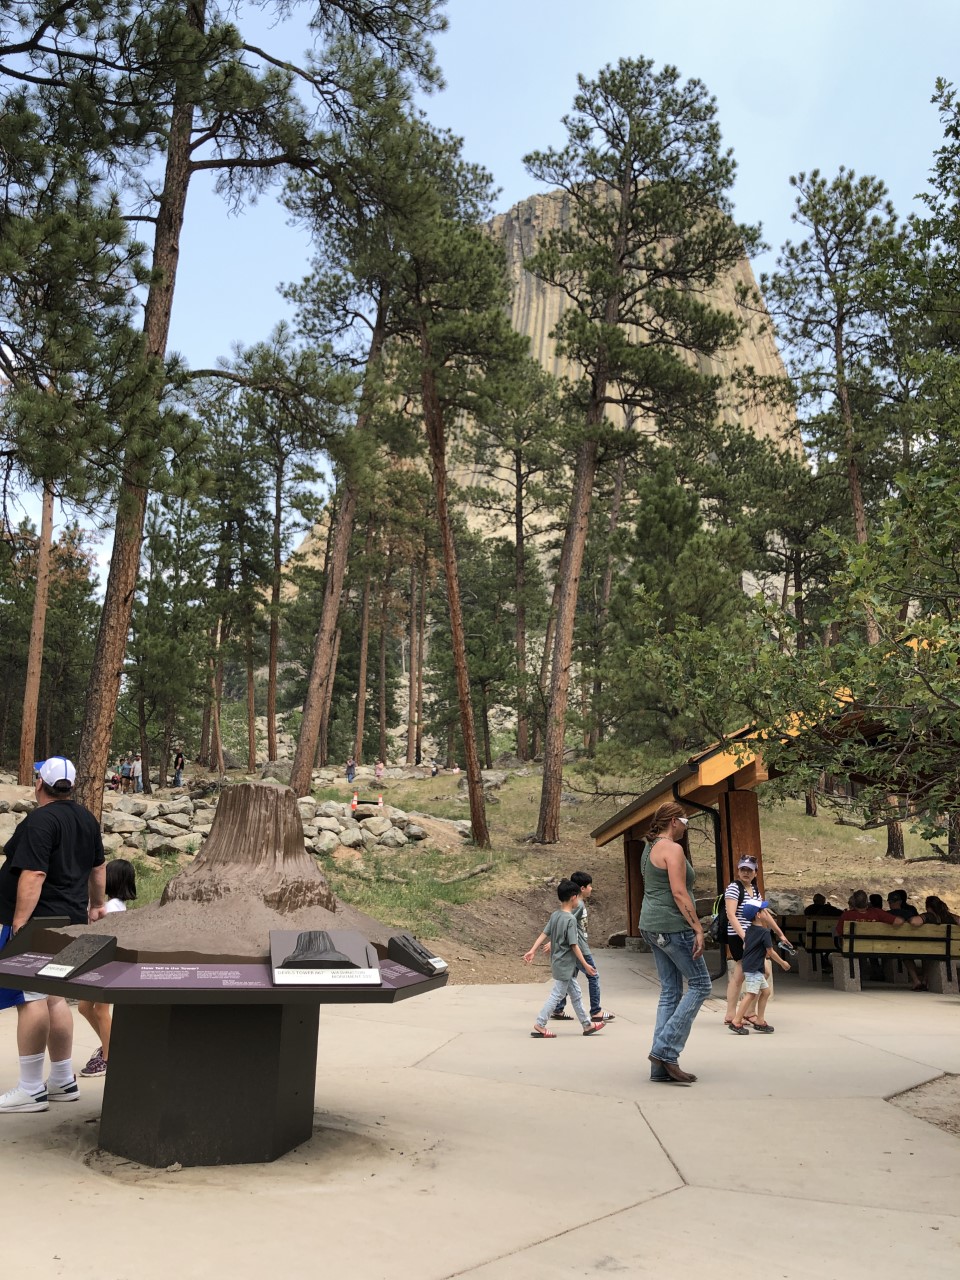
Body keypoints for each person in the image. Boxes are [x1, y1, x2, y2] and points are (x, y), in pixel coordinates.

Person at [0, 756, 106, 1114]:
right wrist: (96, 906)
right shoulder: (86, 819)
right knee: (54, 997)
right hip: (72, 921)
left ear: (39, 785)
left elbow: (33, 874)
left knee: (28, 998)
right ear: (70, 786)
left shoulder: (41, 820)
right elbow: (99, 866)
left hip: (41, 923)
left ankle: (31, 1088)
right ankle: (62, 1080)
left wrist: (19, 923)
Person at [638, 801, 711, 1084]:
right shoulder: (672, 849)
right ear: (675, 822)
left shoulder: (650, 848)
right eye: (686, 822)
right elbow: (680, 893)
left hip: (651, 925)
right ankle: (664, 1051)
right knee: (701, 985)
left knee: (670, 991)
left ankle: (659, 1068)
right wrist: (698, 928)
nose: (686, 828)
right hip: (672, 927)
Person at [77, 859, 137, 1078]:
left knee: (100, 1011)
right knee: (85, 1007)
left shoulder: (112, 908)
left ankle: (109, 1058)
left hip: (108, 964)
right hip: (103, 964)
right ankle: (109, 1044)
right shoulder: (116, 906)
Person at [524, 879, 605, 1039]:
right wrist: (586, 965)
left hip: (558, 963)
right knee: (556, 995)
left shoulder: (555, 915)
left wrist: (532, 950)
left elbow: (544, 933)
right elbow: (574, 946)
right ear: (574, 897)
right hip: (565, 966)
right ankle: (540, 1024)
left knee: (576, 994)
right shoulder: (570, 920)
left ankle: (587, 1025)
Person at [722, 855, 790, 1028]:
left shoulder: (754, 888)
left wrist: (780, 933)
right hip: (739, 935)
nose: (745, 873)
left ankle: (739, 1013)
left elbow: (764, 913)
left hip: (752, 935)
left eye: (749, 870)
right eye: (742, 869)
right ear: (738, 870)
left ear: (755, 872)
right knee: (758, 971)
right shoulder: (734, 888)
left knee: (744, 973)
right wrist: (746, 938)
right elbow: (731, 914)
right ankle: (742, 1013)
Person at [551, 871, 615, 1024]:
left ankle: (558, 1008)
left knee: (568, 977)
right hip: (579, 947)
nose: (591, 889)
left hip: (577, 946)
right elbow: (566, 922)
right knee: (593, 975)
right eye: (589, 886)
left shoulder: (578, 903)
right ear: (582, 888)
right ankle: (596, 1011)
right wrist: (554, 940)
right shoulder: (578, 904)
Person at [728, 900, 792, 1034]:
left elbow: (746, 945)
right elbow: (770, 952)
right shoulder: (764, 932)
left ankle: (760, 1020)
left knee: (766, 992)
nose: (766, 913)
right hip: (755, 967)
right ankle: (736, 1021)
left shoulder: (749, 929)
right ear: (758, 915)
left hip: (751, 965)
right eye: (764, 911)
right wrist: (782, 963)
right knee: (751, 994)